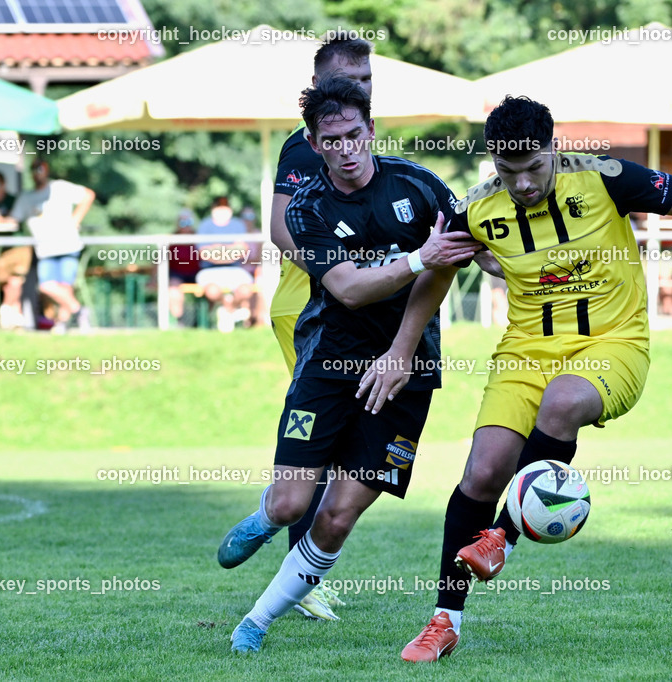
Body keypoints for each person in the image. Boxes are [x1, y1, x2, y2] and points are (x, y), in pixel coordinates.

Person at [355, 96, 672, 662]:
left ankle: (503, 534)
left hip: (613, 343)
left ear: (554, 147)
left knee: (562, 401)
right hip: (525, 350)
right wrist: (402, 350)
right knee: (481, 472)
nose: (523, 183)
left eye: (534, 166)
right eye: (509, 171)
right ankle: (443, 621)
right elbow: (438, 270)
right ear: (493, 164)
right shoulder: (477, 208)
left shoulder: (605, 178)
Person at [216, 77, 482, 654]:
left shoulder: (420, 184)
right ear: (313, 142)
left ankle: (256, 623)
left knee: (337, 516)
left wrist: (401, 350)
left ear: (372, 130)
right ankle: (265, 517)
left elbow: (460, 256)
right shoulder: (309, 207)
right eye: (330, 139)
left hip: (405, 373)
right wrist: (419, 256)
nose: (345, 148)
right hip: (329, 363)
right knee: (292, 504)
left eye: (354, 134)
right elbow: (350, 289)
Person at [265, 32, 376, 621]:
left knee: (335, 450)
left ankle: (297, 561)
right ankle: (301, 578)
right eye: (350, 80)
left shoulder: (355, 146)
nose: (360, 89)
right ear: (319, 86)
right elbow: (281, 229)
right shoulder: (310, 146)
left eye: (366, 80)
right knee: (323, 448)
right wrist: (338, 276)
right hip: (308, 311)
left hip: (342, 315)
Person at [5, 159, 94, 334]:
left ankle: (62, 324)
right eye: (35, 169)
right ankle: (79, 311)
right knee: (47, 287)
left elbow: (88, 195)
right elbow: (12, 219)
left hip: (67, 245)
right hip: (45, 249)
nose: (38, 172)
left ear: (47, 170)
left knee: (65, 287)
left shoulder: (59, 187)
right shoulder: (27, 197)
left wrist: (76, 219)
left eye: (41, 168)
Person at [196, 196, 255, 333]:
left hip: (234, 270)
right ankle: (230, 309)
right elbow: (204, 253)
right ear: (213, 210)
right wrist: (230, 250)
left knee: (246, 290)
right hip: (209, 271)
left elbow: (242, 250)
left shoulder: (238, 225)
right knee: (212, 291)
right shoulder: (205, 225)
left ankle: (226, 309)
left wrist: (217, 249)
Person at [0, 171, 29, 329]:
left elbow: (14, 220)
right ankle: (14, 320)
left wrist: (1, 220)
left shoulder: (14, 200)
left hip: (17, 245)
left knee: (15, 282)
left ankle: (6, 310)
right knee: (6, 285)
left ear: (3, 185)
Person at [168, 208, 201, 325]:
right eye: (183, 223)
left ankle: (201, 321)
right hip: (176, 273)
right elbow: (158, 261)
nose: (186, 226)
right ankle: (179, 322)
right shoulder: (170, 240)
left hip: (196, 273)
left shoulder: (200, 238)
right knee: (174, 290)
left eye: (189, 223)